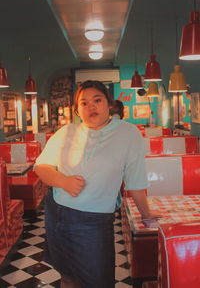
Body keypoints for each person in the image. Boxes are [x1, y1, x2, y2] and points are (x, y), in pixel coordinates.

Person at [34, 80, 160, 288]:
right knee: (68, 276)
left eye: (97, 100)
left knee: (99, 281)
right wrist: (63, 181)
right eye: (84, 103)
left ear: (109, 104)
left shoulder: (128, 134)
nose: (91, 106)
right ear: (77, 110)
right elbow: (41, 167)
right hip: (58, 213)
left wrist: (146, 213)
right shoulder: (66, 132)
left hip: (95, 220)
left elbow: (135, 181)